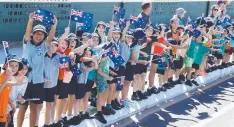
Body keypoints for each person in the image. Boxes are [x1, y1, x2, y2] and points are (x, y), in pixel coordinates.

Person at [23, 12, 57, 127]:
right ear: (33, 34)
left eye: (42, 34)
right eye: (37, 33)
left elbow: (51, 37)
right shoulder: (27, 43)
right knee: (22, 107)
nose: (39, 36)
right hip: (25, 81)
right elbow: (27, 33)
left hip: (37, 82)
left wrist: (54, 25)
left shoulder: (44, 46)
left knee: (35, 107)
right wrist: (31, 20)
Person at [0, 54, 24, 127]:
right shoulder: (3, 77)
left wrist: (11, 104)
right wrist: (14, 82)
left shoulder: (9, 77)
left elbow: (4, 91)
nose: (14, 68)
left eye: (16, 66)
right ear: (5, 66)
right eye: (11, 65)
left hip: (3, 113)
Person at [7, 58, 31, 127]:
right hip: (5, 105)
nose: (24, 70)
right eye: (22, 68)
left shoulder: (25, 79)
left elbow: (20, 93)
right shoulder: (10, 77)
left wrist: (21, 99)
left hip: (12, 107)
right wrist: (11, 104)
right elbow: (4, 92)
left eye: (26, 68)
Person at [43, 40, 60, 127]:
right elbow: (36, 69)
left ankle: (52, 122)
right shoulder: (43, 56)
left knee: (54, 104)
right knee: (49, 105)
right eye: (51, 45)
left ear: (57, 47)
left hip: (55, 84)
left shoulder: (58, 56)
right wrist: (43, 79)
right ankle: (46, 124)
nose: (52, 48)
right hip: (47, 85)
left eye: (55, 46)